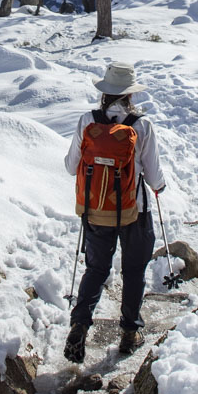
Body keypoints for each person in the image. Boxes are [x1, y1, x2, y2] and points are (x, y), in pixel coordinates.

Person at [63, 61, 166, 362]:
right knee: (133, 271)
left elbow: (71, 166)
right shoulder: (142, 125)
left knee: (96, 269)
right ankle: (129, 332)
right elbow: (153, 174)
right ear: (130, 94)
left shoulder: (87, 121)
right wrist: (159, 186)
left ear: (105, 91)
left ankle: (80, 324)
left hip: (96, 209)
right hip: (135, 210)